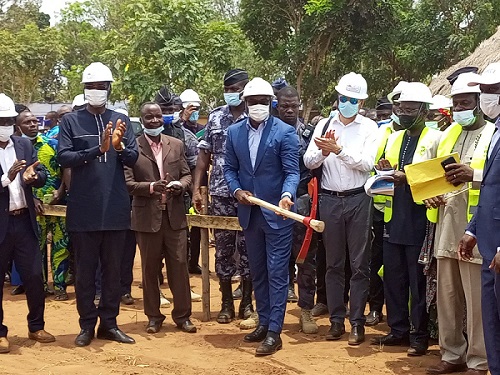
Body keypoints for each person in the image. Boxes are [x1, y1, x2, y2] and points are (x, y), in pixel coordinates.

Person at [58, 62, 138, 347]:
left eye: (102, 86)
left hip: (115, 209)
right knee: (85, 272)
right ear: (84, 89)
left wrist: (117, 146)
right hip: (83, 210)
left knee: (113, 271)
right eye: (91, 87)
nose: (97, 91)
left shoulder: (121, 120)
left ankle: (109, 324)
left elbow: (133, 158)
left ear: (109, 88)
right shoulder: (70, 121)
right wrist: (97, 150)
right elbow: (64, 157)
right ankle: (86, 325)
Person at [223, 77, 299, 356]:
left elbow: (292, 171)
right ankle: (264, 322)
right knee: (258, 272)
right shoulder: (234, 133)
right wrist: (236, 190)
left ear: (271, 103)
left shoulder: (285, 132)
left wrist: (287, 195)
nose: (258, 106)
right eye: (253, 102)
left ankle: (275, 332)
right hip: (250, 214)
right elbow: (229, 169)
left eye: (263, 102)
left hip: (277, 214)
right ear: (245, 103)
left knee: (277, 272)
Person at [303, 72, 377, 346]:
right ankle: (336, 320)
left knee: (359, 264)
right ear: (337, 98)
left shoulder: (369, 128)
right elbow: (309, 161)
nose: (346, 103)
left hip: (359, 199)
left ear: (361, 102)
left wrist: (338, 149)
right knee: (333, 263)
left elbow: (367, 163)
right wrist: (323, 152)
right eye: (343, 98)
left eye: (353, 99)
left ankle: (356, 323)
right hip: (330, 199)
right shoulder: (324, 124)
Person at [424, 74, 490, 375]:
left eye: (465, 103)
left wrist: (472, 174)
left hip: (477, 226)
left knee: (476, 296)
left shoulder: (492, 134)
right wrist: (431, 194)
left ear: (479, 104)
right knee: (447, 294)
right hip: (447, 221)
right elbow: (435, 176)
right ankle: (452, 353)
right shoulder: (448, 134)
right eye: (456, 104)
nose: (460, 108)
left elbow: (494, 179)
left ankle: (480, 359)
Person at [372, 82, 441, 356]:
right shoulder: (393, 138)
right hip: (394, 217)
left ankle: (419, 334)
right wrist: (384, 174)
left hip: (420, 219)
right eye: (401, 108)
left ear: (423, 110)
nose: (403, 113)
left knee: (418, 281)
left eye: (410, 109)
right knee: (394, 277)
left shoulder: (435, 138)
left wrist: (407, 177)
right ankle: (398, 329)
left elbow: (438, 178)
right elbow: (382, 177)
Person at [125, 102, 196, 334]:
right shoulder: (132, 148)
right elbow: (127, 184)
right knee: (149, 269)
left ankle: (183, 316)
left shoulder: (176, 144)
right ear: (142, 120)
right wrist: (152, 187)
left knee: (179, 267)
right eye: (149, 117)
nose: (155, 121)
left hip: (174, 217)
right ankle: (154, 317)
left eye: (158, 117)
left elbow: (187, 174)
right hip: (147, 219)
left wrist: (180, 185)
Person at [193, 69, 253, 324]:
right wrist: (197, 188)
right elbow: (204, 155)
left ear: (245, 89)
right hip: (220, 193)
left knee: (249, 248)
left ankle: (248, 303)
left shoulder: (257, 115)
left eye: (235, 89)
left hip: (249, 193)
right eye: (227, 89)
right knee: (223, 250)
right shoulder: (216, 117)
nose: (230, 93)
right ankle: (227, 302)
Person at [0, 93, 55, 353]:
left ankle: (36, 325)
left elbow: (40, 172)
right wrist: (6, 178)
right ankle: (0, 333)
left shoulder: (23, 144)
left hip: (23, 222)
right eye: (1, 120)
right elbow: (8, 180)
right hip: (1, 225)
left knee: (34, 275)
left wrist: (35, 177)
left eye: (9, 120)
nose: (6, 125)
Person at [459, 62, 500, 375]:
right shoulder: (497, 132)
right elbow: (490, 187)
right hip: (487, 244)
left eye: (493, 91)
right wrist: (473, 228)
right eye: (484, 91)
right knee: (492, 323)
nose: (487, 97)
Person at [276, 86, 318, 333]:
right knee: (275, 262)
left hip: (303, 204)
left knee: (305, 260)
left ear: (300, 105)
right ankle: (271, 314)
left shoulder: (310, 134)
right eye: (284, 106)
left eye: (294, 105)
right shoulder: (269, 132)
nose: (289, 110)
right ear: (277, 106)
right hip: (273, 204)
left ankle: (305, 311)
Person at [16, 110, 70, 301]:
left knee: (60, 246)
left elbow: (66, 169)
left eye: (34, 121)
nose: (32, 124)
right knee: (36, 249)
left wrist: (60, 192)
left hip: (58, 204)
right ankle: (40, 287)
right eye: (27, 122)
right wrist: (33, 199)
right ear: (18, 126)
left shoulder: (52, 143)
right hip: (32, 208)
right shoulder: (15, 148)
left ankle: (60, 285)